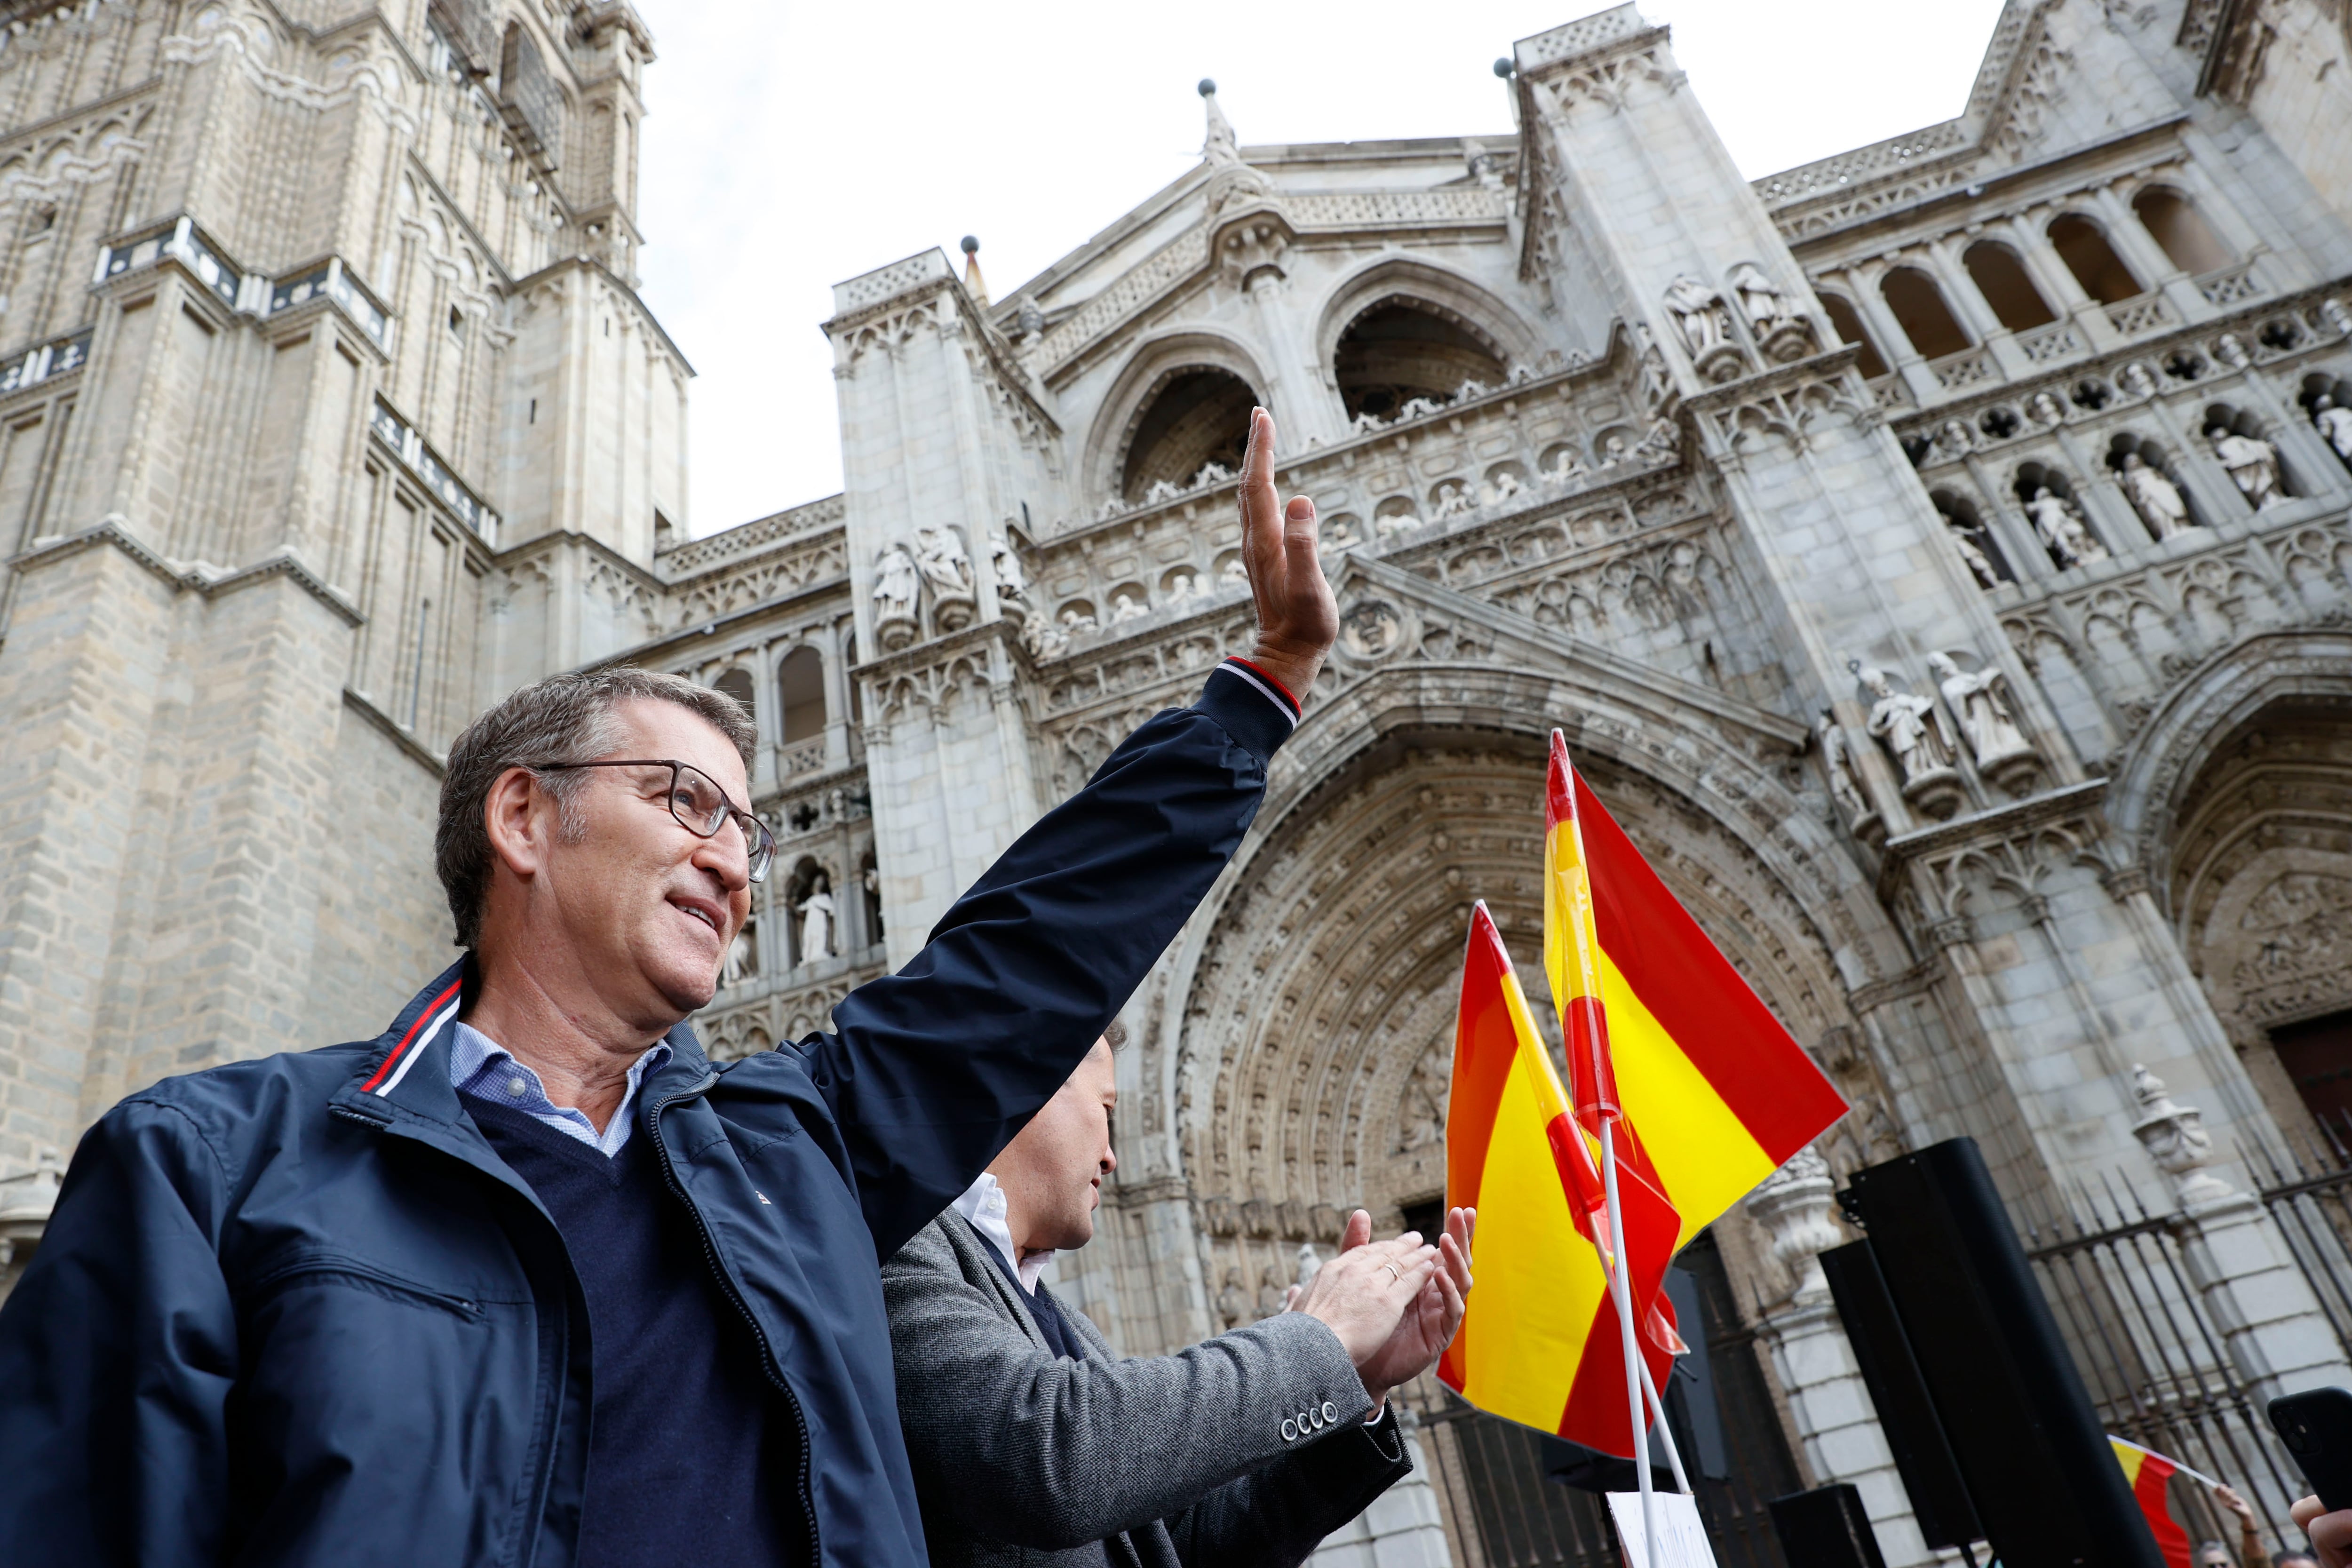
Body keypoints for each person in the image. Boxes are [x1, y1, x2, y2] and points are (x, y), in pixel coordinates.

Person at [0, 410, 1339, 1568]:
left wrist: (1255, 695)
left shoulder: (790, 1162)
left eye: (749, 830)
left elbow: (1013, 966)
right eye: (687, 799)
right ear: (524, 818)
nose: (733, 858)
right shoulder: (213, 1167)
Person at [884, 1028, 1474, 1567]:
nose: (1112, 1156)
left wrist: (1354, 1381)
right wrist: (1313, 1342)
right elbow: (1047, 1455)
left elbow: (1188, 1547)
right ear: (1029, 1090)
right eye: (1106, 1108)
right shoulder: (899, 1246)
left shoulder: (1068, 1325)